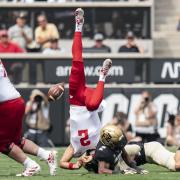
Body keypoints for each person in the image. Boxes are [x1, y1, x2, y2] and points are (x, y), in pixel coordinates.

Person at [59, 8, 112, 170]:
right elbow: (107, 168)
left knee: (76, 62)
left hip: (76, 101)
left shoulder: (75, 149)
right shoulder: (100, 145)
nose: (88, 157)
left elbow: (61, 163)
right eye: (91, 158)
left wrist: (76, 165)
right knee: (93, 105)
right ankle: (102, 75)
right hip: (89, 101)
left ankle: (78, 26)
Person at [0, 59, 57, 176]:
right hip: (15, 101)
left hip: (8, 104)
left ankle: (31, 165)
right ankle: (47, 155)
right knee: (16, 140)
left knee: (3, 143)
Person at [79, 125, 146, 174]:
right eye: (118, 140)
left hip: (112, 163)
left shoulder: (115, 144)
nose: (121, 141)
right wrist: (121, 172)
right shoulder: (103, 151)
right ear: (108, 141)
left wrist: (135, 167)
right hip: (100, 166)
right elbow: (101, 170)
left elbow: (125, 155)